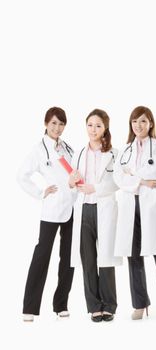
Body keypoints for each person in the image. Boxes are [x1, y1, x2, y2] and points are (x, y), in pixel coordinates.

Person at [113, 106, 156, 320]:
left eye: (143, 121)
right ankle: (140, 304)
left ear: (150, 123)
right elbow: (117, 177)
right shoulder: (124, 150)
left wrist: (131, 175)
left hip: (150, 206)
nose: (138, 125)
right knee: (133, 256)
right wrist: (141, 180)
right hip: (128, 205)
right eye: (134, 121)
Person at [17, 107, 75, 322]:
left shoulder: (67, 148)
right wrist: (41, 193)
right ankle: (29, 307)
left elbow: (75, 173)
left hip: (72, 207)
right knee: (41, 256)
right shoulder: (39, 150)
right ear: (46, 123)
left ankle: (61, 304)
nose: (57, 128)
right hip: (51, 209)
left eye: (61, 124)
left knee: (68, 258)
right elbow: (21, 176)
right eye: (53, 123)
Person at [68, 109, 121, 322]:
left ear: (105, 128)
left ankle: (109, 304)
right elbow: (72, 180)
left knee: (105, 258)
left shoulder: (114, 154)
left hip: (104, 207)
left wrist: (95, 188)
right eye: (90, 125)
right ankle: (94, 305)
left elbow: (116, 182)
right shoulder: (79, 153)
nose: (93, 129)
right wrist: (71, 183)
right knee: (88, 259)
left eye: (98, 125)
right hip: (84, 210)